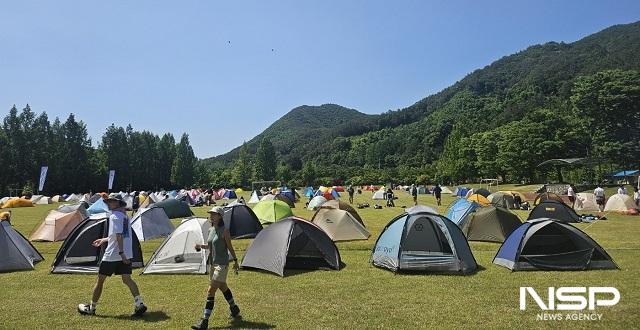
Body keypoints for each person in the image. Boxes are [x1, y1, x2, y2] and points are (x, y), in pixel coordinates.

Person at [78, 195, 147, 316]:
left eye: (112, 201)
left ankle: (92, 308)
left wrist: (121, 253)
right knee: (127, 279)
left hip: (114, 254)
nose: (109, 203)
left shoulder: (115, 216)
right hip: (126, 254)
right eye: (108, 201)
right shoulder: (125, 217)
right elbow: (118, 234)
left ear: (118, 203)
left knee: (100, 281)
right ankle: (139, 304)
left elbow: (119, 235)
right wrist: (104, 240)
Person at [192, 206, 241, 330]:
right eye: (210, 214)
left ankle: (204, 321)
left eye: (213, 214)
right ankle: (234, 308)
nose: (211, 216)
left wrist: (235, 261)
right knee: (223, 287)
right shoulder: (210, 230)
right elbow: (209, 245)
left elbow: (229, 247)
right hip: (213, 264)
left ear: (220, 216)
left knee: (211, 291)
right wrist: (199, 246)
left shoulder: (225, 231)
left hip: (222, 265)